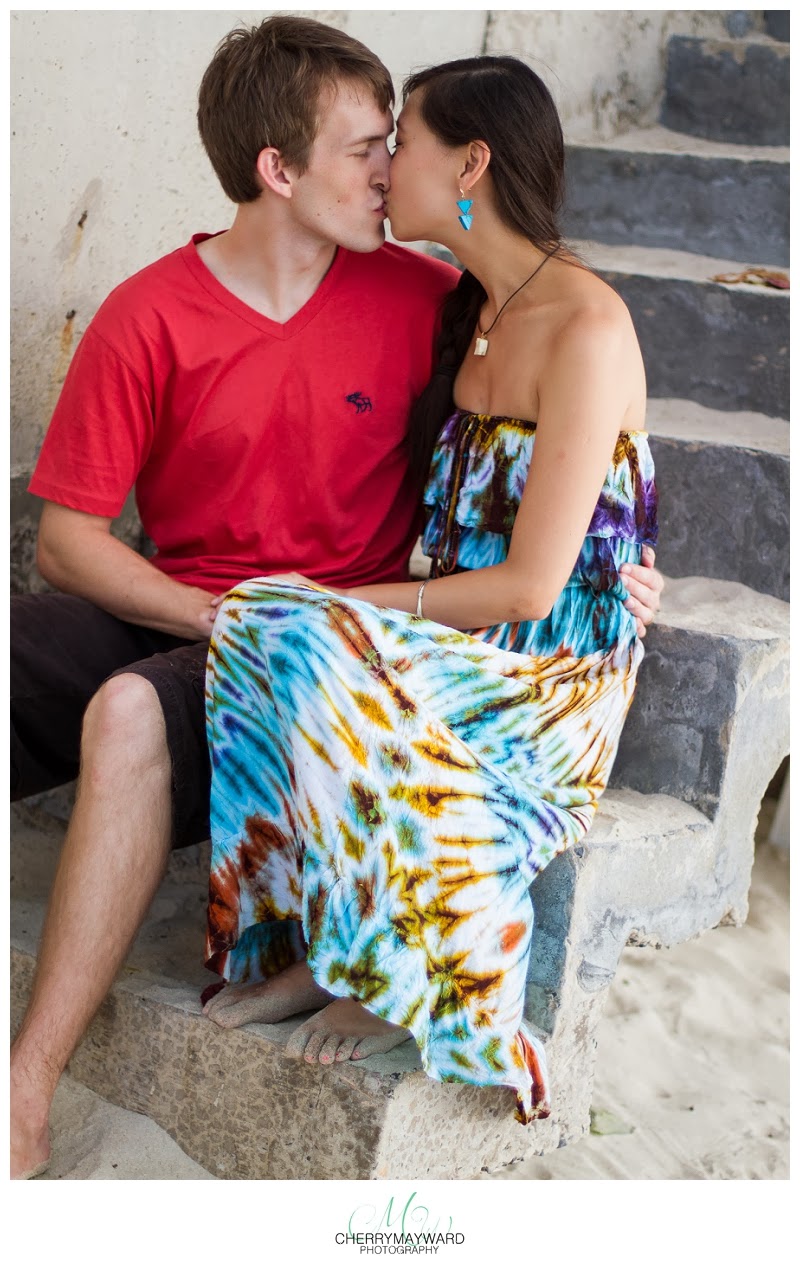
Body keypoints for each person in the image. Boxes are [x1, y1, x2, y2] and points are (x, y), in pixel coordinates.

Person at [10, 18, 662, 1178]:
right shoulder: (175, 312)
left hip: (389, 641)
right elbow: (64, 543)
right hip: (250, 613)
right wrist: (246, 611)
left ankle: (37, 1081)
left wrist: (613, 569)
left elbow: (565, 500)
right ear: (278, 169)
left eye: (393, 143)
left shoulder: (438, 301)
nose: (382, 169)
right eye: (368, 145)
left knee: (178, 691)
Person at [200, 53, 659, 1125]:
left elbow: (533, 583)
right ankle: (325, 943)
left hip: (548, 673)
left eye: (400, 140)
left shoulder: (585, 327)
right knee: (263, 621)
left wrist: (342, 602)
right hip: (460, 642)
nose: (384, 163)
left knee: (295, 620)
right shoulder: (475, 308)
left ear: (471, 161)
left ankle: (383, 972)